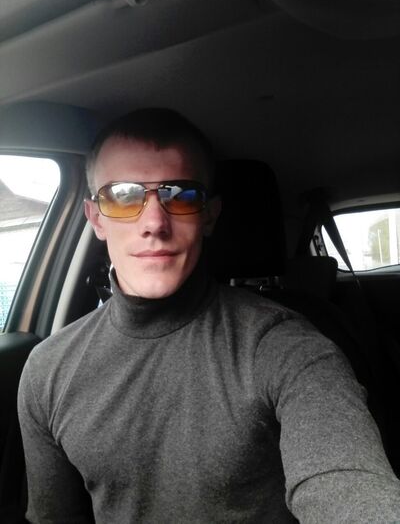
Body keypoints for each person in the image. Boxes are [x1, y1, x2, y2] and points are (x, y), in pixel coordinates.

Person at [18, 108, 400, 523]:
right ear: (96, 219)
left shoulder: (284, 345)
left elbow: (345, 481)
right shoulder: (47, 370)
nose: (154, 223)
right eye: (123, 196)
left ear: (210, 215)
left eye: (180, 196)